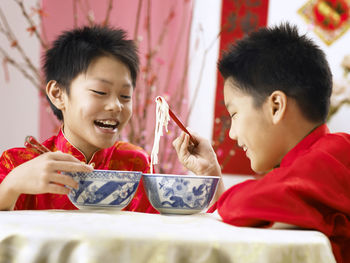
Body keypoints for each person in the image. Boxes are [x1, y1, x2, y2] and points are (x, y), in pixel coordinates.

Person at [173, 23, 350, 263]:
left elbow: (248, 204)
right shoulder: (310, 165)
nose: (233, 134)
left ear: (276, 106)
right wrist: (210, 174)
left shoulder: (336, 151)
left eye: (234, 114)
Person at [0, 25, 157, 213]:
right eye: (100, 92)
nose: (116, 106)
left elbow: (169, 234)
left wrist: (203, 172)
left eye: (125, 96)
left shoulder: (134, 163)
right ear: (57, 94)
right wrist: (10, 187)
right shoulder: (18, 164)